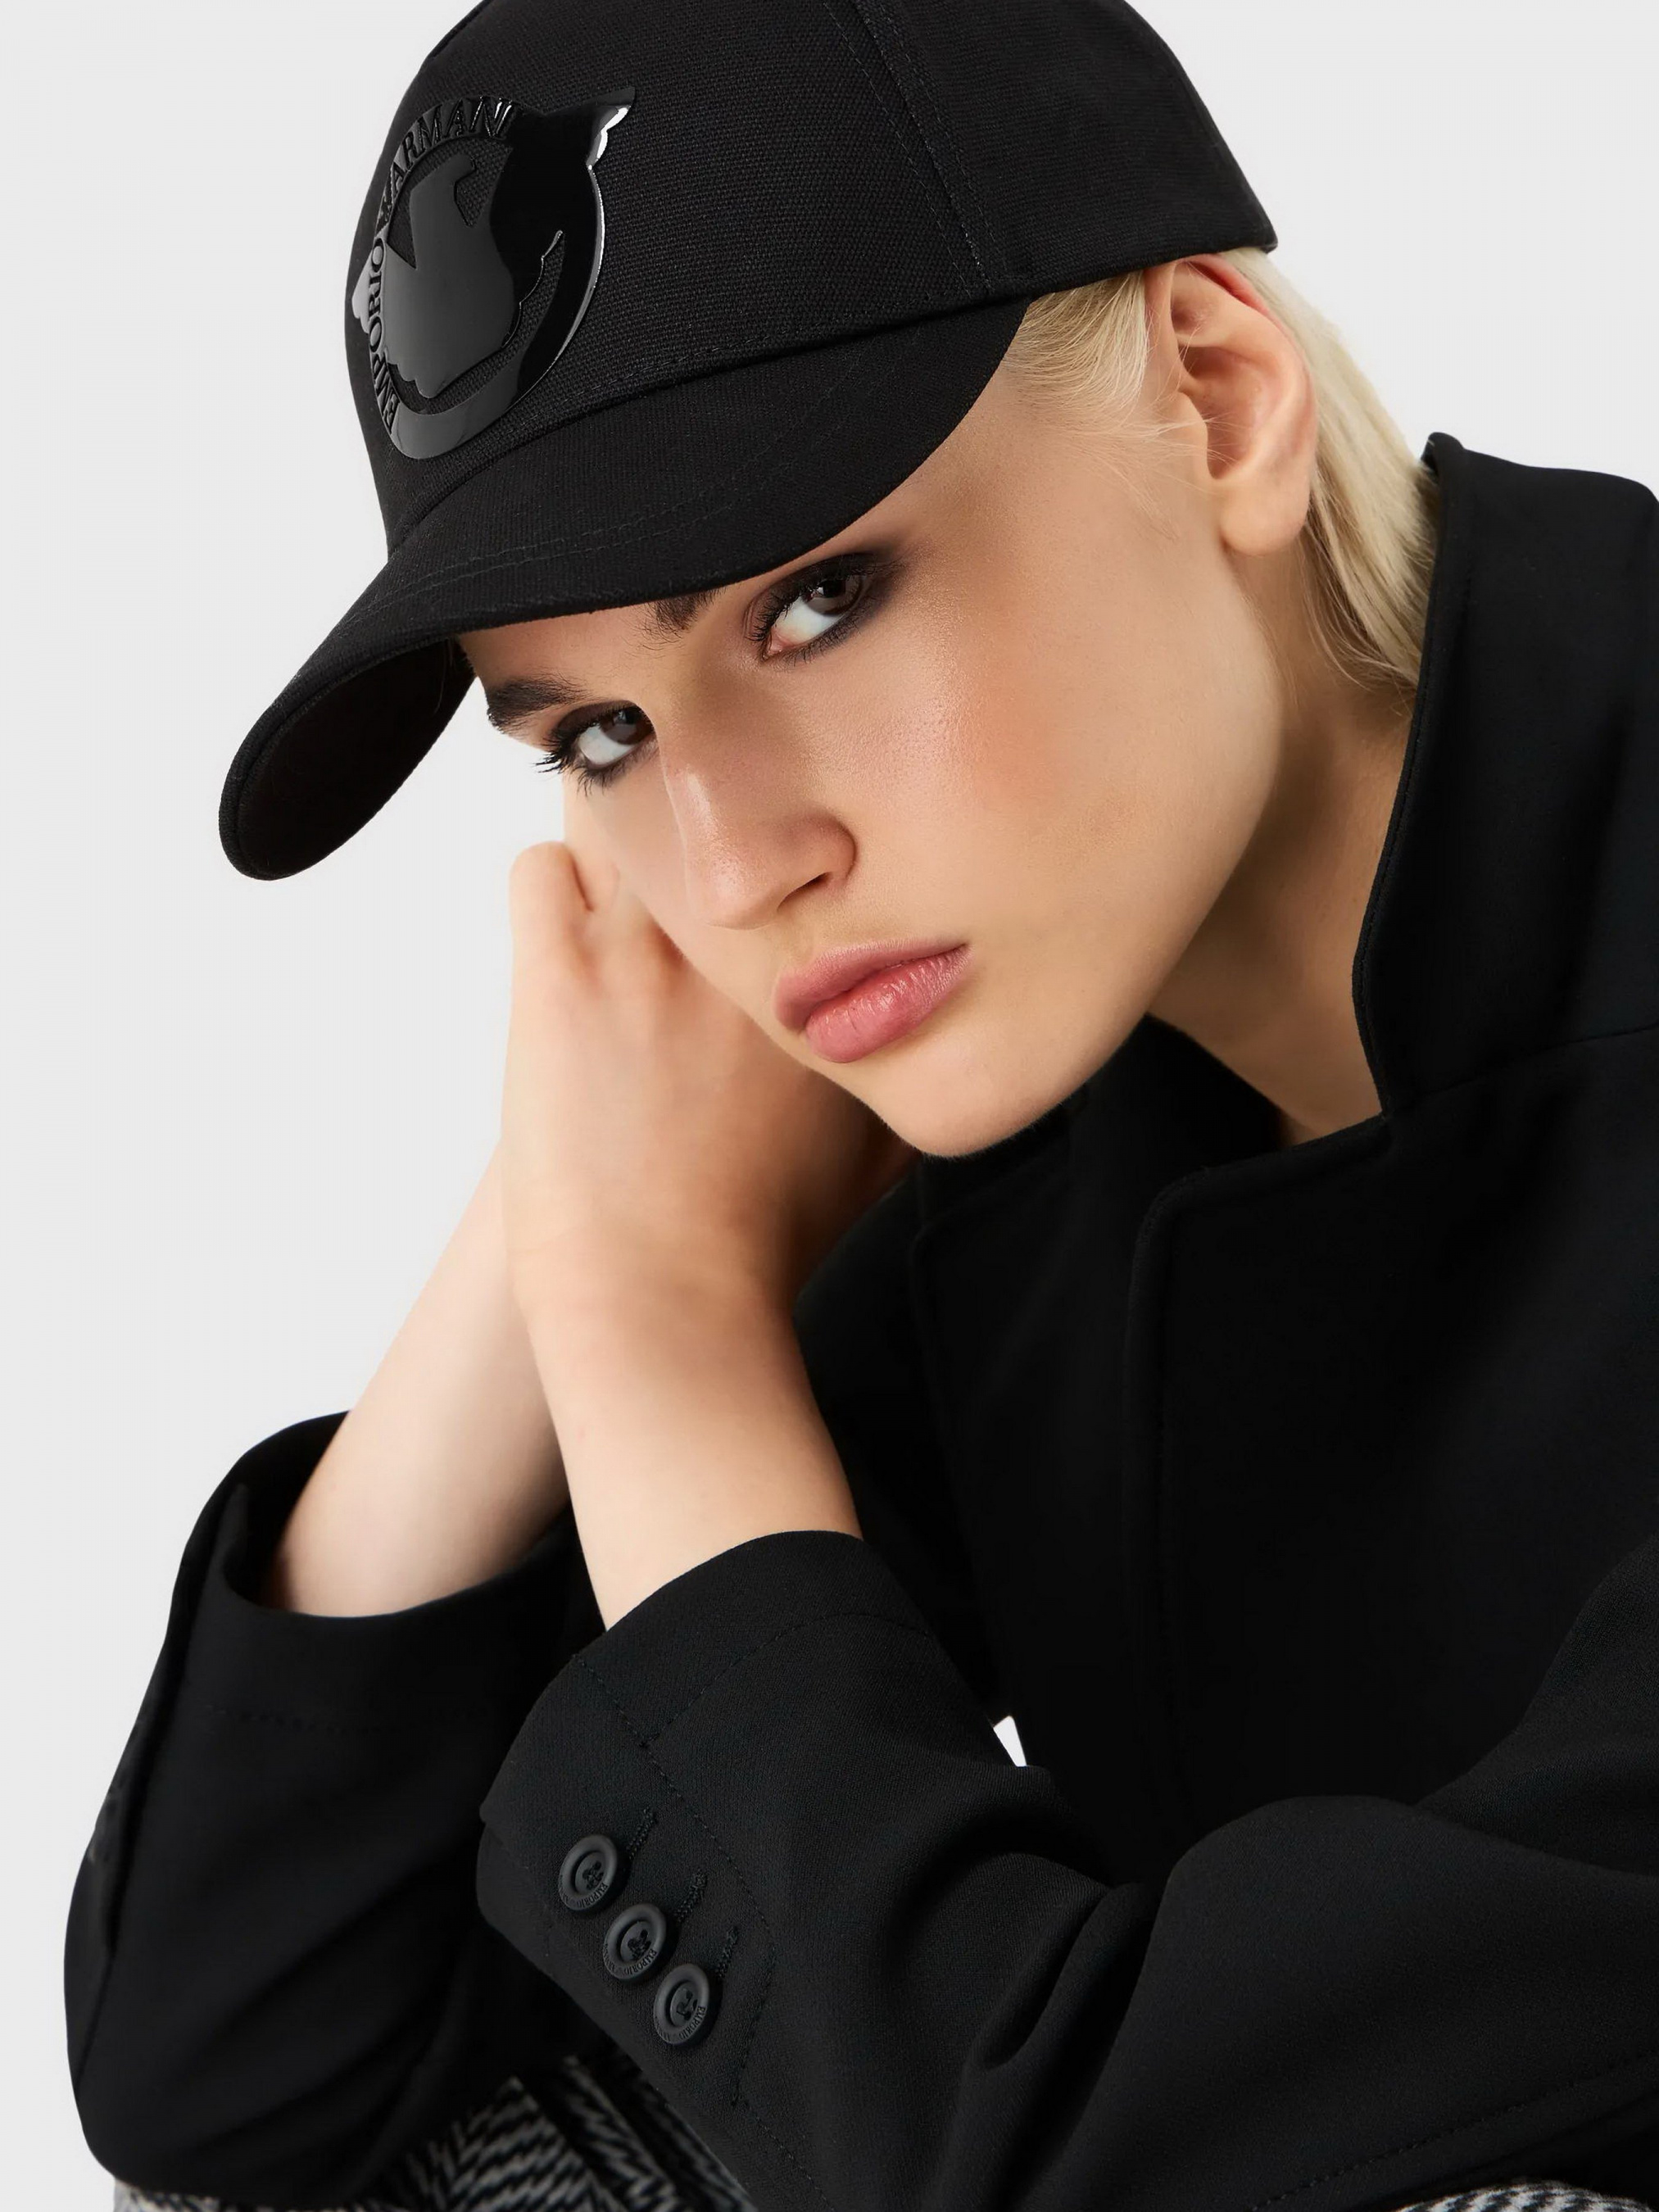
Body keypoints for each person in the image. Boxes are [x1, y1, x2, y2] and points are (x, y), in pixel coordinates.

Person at [64, 2, 1659, 2210]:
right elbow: (238, 2060)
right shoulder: (1047, 1114)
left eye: (815, 602)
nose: (735, 868)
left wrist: (660, 1332)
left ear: (1217, 399)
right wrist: (568, 1219)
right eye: (596, 737)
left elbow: (1001, 2160)